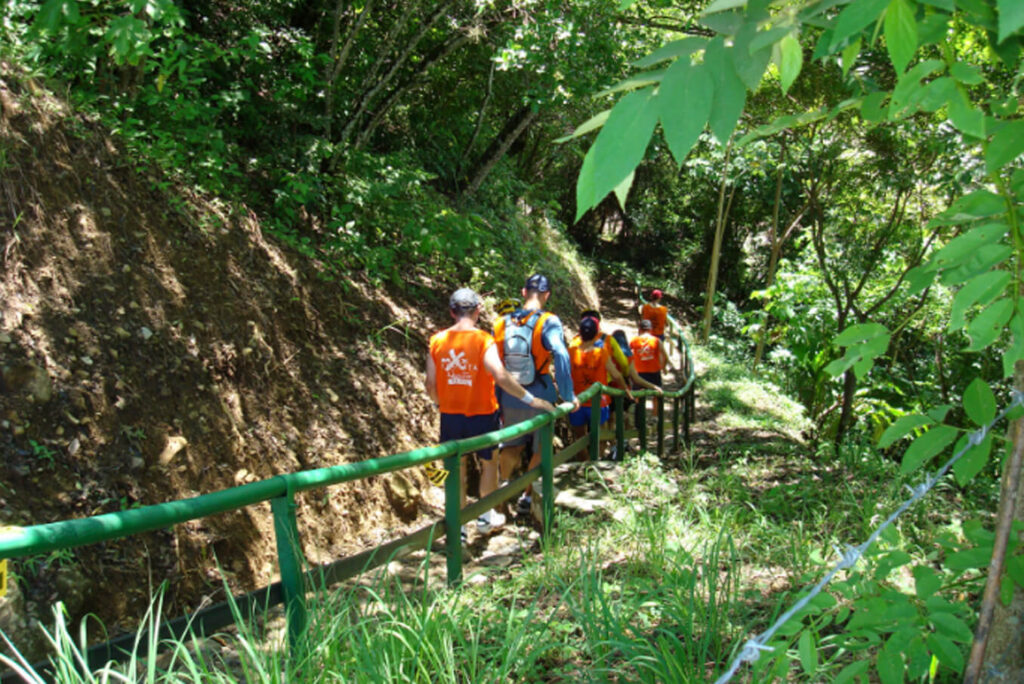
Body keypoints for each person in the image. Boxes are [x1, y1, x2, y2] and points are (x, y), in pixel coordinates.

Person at [426, 288, 555, 538]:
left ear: (452, 312)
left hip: (450, 416)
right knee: (488, 464)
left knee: (456, 469)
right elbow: (500, 375)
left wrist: (439, 403)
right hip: (483, 414)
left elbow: (431, 384)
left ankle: (459, 527)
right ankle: (485, 518)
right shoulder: (484, 340)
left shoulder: (437, 341)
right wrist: (531, 399)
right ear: (477, 311)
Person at [494, 274, 579, 517]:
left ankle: (500, 491)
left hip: (510, 395)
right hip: (541, 394)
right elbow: (561, 354)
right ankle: (526, 496)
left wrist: (496, 398)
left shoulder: (502, 322)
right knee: (541, 449)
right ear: (547, 295)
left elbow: (495, 364)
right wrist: (568, 394)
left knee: (511, 445)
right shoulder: (549, 321)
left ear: (523, 293)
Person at [568, 316, 631, 456]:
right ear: (596, 333)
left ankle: (584, 465)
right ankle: (596, 462)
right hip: (599, 402)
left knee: (579, 438)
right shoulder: (601, 353)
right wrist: (625, 389)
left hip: (576, 401)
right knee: (600, 437)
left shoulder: (571, 351)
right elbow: (616, 375)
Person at [630, 319, 670, 419]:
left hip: (639, 372)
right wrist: (663, 367)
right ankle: (655, 416)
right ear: (650, 329)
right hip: (654, 371)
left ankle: (639, 416)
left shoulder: (634, 340)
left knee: (638, 395)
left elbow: (628, 354)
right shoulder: (656, 341)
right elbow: (665, 356)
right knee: (656, 394)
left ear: (639, 329)